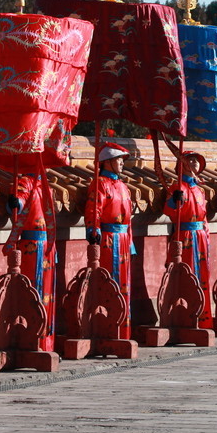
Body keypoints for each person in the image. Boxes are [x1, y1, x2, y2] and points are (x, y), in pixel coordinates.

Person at [84, 141, 135, 338]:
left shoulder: (122, 186)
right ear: (107, 161)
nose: (122, 164)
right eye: (118, 160)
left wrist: (130, 242)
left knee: (123, 281)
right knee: (109, 280)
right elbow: (93, 209)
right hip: (108, 239)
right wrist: (93, 229)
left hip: (122, 238)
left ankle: (123, 328)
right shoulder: (100, 184)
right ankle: (106, 327)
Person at [4, 170, 56, 351]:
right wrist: (15, 202)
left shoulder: (46, 184)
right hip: (31, 246)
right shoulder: (25, 182)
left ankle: (46, 341)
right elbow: (19, 202)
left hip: (47, 245)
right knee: (32, 289)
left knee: (47, 291)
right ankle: (31, 338)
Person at [163, 152, 213, 329]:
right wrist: (172, 201)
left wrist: (206, 236)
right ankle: (182, 317)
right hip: (184, 237)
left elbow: (204, 217)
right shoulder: (177, 187)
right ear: (182, 164)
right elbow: (169, 211)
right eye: (191, 160)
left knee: (202, 275)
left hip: (199, 237)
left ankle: (202, 317)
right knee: (185, 275)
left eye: (197, 160)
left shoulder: (199, 189)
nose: (195, 163)